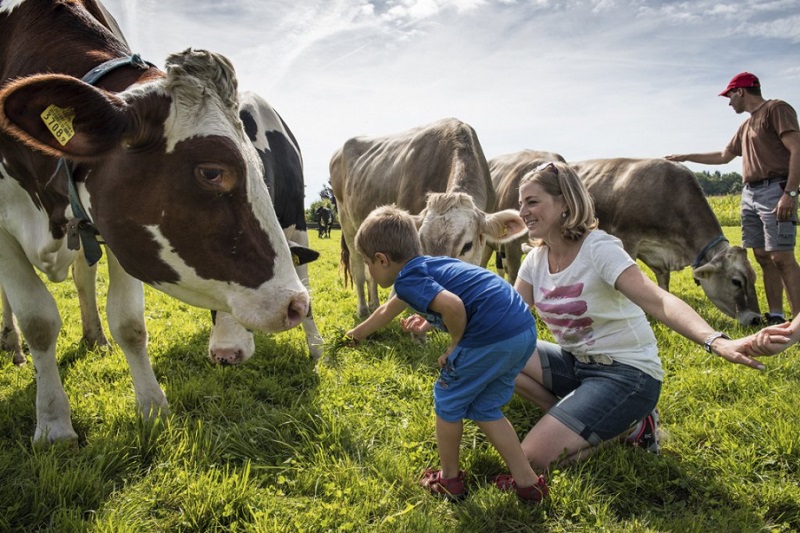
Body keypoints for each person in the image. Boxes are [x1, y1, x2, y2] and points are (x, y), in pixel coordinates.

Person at [510, 162, 769, 471]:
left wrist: (716, 340)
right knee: (496, 353)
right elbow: (507, 316)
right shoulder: (535, 260)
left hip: (627, 376)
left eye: (532, 201)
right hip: (577, 364)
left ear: (565, 202)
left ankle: (629, 428)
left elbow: (658, 300)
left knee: (531, 461)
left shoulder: (599, 249)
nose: (522, 211)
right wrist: (450, 318)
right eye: (521, 202)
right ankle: (576, 417)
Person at [345, 205, 548, 503]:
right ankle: (528, 483)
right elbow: (388, 310)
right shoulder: (427, 266)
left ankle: (449, 480)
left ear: (381, 260)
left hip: (490, 336)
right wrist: (355, 334)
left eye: (367, 263)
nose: (368, 270)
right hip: (521, 330)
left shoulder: (408, 280)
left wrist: (455, 345)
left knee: (448, 401)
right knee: (484, 407)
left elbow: (453, 307)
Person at [666, 72, 800, 325]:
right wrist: (685, 156)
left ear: (741, 92)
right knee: (761, 256)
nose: (729, 103)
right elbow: (725, 156)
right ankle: (776, 315)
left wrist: (790, 193)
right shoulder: (746, 125)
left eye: (729, 96)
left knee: (782, 257)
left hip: (775, 190)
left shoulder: (776, 109)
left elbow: (797, 148)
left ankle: (798, 321)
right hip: (750, 193)